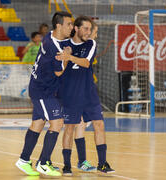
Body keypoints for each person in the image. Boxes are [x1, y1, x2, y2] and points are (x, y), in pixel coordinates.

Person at [15, 11, 73, 177]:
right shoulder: (52, 46)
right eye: (69, 24)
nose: (71, 27)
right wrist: (67, 57)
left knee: (38, 124)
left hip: (41, 87)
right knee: (57, 122)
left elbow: (67, 41)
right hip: (43, 90)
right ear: (59, 26)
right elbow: (59, 72)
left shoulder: (51, 35)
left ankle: (24, 160)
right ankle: (43, 162)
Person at [56, 16, 114, 176]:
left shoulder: (91, 44)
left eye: (90, 29)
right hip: (70, 94)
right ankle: (67, 165)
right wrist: (65, 58)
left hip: (89, 93)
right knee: (69, 128)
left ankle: (102, 163)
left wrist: (69, 57)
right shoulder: (63, 44)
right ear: (76, 28)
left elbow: (86, 63)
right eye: (86, 29)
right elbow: (58, 68)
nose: (89, 32)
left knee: (99, 125)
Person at [73, 21, 98, 172]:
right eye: (93, 31)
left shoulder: (89, 46)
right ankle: (44, 160)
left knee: (80, 125)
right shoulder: (75, 45)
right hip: (69, 91)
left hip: (83, 92)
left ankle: (82, 161)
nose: (94, 35)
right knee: (61, 124)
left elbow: (85, 64)